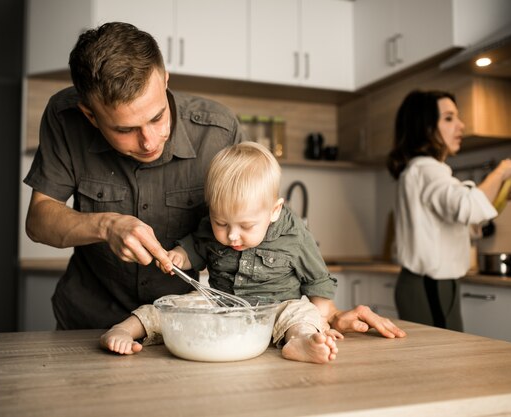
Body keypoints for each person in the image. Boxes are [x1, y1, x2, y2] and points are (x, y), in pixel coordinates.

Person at [24, 21, 407, 337]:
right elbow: (39, 220)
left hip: (184, 325)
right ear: (91, 116)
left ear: (166, 80)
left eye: (158, 117)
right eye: (126, 129)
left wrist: (323, 316)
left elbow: (269, 243)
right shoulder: (64, 117)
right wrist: (106, 225)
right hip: (86, 321)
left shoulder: (218, 130)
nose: (149, 140)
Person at [101, 142, 405, 363]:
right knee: (173, 305)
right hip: (223, 306)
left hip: (276, 310)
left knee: (302, 314)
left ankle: (300, 343)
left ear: (274, 211)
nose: (232, 235)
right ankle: (126, 328)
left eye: (246, 226)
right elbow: (196, 244)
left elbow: (318, 279)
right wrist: (180, 256)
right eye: (222, 223)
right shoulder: (211, 225)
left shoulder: (293, 234)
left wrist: (325, 316)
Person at [387, 90, 511, 331]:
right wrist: (500, 172)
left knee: (436, 363)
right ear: (426, 128)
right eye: (448, 118)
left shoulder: (423, 170)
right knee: (439, 363)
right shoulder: (428, 169)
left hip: (430, 285)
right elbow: (467, 207)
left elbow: (460, 221)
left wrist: (498, 196)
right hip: (431, 285)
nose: (461, 125)